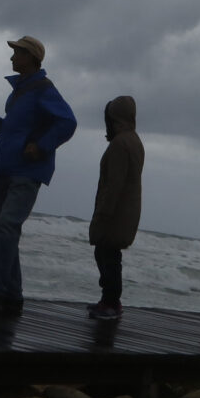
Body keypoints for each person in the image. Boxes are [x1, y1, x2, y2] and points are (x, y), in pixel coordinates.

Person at [0, 35, 76, 315]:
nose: (12, 58)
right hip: (5, 168)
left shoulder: (43, 89)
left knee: (6, 229)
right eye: (13, 53)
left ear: (31, 58)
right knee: (1, 233)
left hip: (26, 172)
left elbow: (68, 122)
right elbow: (14, 132)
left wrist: (42, 147)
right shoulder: (19, 93)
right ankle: (13, 296)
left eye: (17, 53)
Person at [85, 94, 142, 321]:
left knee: (107, 254)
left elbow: (114, 183)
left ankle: (111, 302)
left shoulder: (120, 144)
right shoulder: (134, 140)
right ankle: (109, 300)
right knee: (109, 254)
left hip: (115, 211)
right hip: (127, 210)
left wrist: (104, 212)